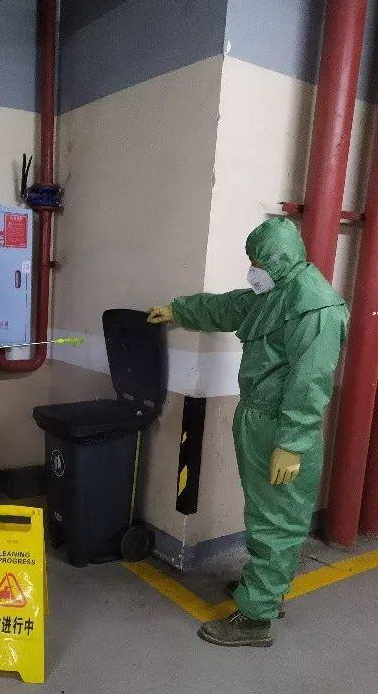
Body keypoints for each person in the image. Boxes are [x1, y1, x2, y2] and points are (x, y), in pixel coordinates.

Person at [148, 217, 348, 647]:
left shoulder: (316, 309)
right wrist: (179, 310)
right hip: (259, 420)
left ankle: (256, 619)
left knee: (277, 520)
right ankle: (263, 588)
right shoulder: (277, 292)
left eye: (257, 262)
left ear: (278, 260)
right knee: (264, 511)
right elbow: (230, 307)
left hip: (283, 427)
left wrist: (291, 444)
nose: (252, 270)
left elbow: (310, 382)